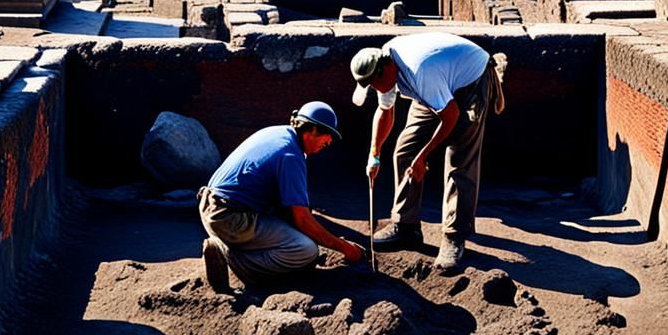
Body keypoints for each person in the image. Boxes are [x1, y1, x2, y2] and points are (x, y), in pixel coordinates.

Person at [350, 33, 505, 271]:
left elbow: (450, 115)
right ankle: (406, 226)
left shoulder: (420, 71)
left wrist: (424, 156)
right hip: (437, 82)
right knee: (405, 150)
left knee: (459, 159)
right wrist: (375, 153)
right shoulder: (384, 66)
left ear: (386, 69)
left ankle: (454, 237)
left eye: (373, 84)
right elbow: (385, 110)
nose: (374, 88)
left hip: (470, 81)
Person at [198, 102, 365, 293]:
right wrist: (346, 249)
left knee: (292, 221)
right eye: (328, 136)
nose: (329, 142)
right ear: (313, 129)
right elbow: (302, 219)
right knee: (306, 250)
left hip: (210, 205)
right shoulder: (291, 155)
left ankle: (229, 243)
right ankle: (229, 258)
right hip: (230, 219)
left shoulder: (278, 133)